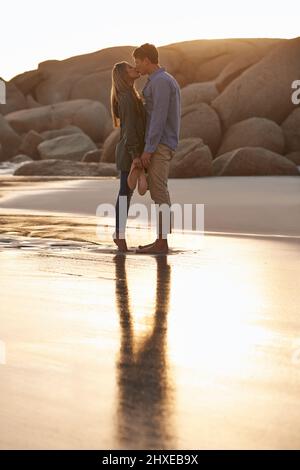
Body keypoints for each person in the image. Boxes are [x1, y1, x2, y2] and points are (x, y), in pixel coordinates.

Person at [133, 43, 181, 254]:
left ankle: (162, 242)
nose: (136, 66)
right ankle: (160, 239)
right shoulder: (159, 80)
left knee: (159, 190)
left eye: (138, 61)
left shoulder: (161, 82)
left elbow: (159, 118)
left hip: (160, 144)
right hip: (159, 143)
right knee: (158, 191)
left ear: (147, 60)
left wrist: (149, 149)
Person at [110, 61, 147, 252]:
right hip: (129, 153)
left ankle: (118, 233)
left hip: (131, 151)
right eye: (130, 69)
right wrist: (135, 155)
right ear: (124, 76)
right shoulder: (125, 98)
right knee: (125, 194)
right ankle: (118, 233)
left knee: (126, 193)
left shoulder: (131, 95)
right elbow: (130, 131)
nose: (135, 69)